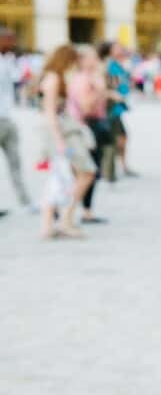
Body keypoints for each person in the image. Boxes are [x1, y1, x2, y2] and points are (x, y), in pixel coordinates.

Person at [36, 44, 97, 239]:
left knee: (59, 176)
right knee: (83, 171)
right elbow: (50, 112)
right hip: (61, 132)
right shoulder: (53, 78)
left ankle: (50, 225)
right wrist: (58, 140)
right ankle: (64, 220)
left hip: (61, 131)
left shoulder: (54, 77)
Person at [69, 45, 110, 224]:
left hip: (90, 126)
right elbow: (85, 107)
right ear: (82, 60)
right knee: (88, 171)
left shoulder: (86, 77)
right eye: (93, 57)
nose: (96, 61)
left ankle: (83, 210)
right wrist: (100, 91)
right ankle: (73, 211)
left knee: (87, 171)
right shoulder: (83, 79)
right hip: (88, 126)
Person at [0, 27, 34, 217]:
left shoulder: (9, 60)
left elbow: (17, 79)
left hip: (7, 118)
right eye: (9, 39)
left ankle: (25, 201)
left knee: (15, 162)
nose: (13, 43)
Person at [105, 42, 138, 180]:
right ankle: (111, 169)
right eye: (117, 48)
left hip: (118, 107)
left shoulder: (119, 65)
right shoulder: (108, 65)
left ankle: (120, 166)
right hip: (111, 108)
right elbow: (110, 84)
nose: (121, 50)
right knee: (117, 138)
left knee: (121, 137)